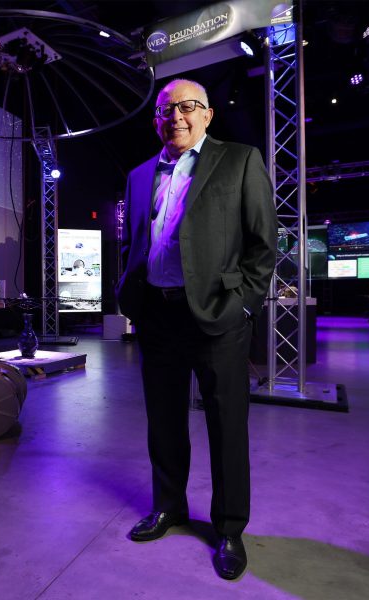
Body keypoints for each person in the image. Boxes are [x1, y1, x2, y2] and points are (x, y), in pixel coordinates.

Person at [116, 78, 277, 580]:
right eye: (167, 110)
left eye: (188, 108)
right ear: (156, 120)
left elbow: (263, 245)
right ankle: (170, 507)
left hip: (216, 317)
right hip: (157, 315)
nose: (176, 117)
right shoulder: (139, 175)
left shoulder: (240, 160)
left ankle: (229, 527)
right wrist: (134, 297)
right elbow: (133, 243)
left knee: (226, 426)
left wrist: (240, 305)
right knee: (163, 422)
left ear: (208, 114)